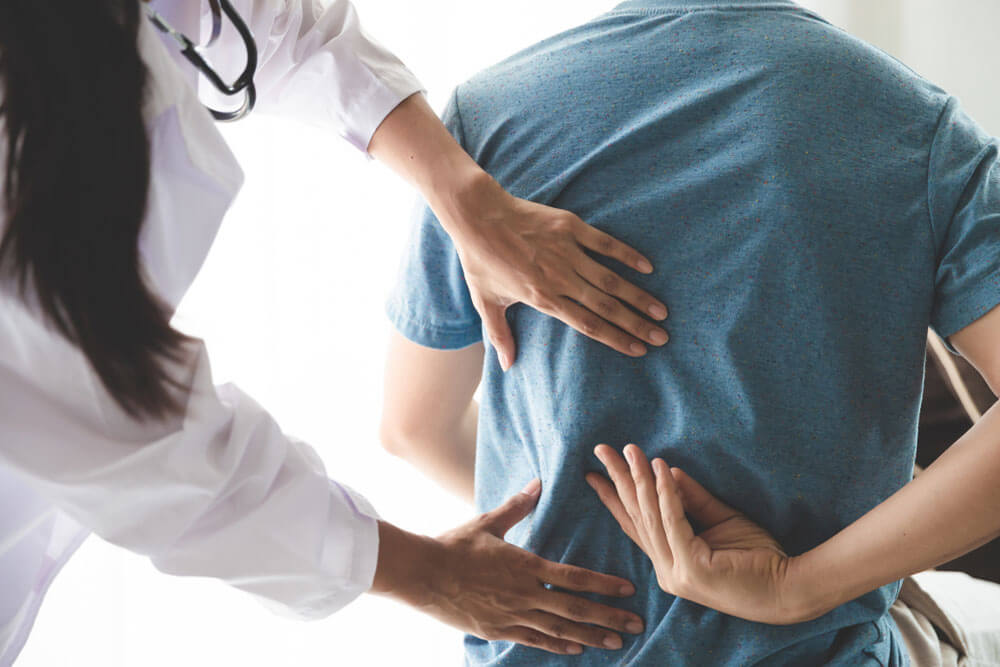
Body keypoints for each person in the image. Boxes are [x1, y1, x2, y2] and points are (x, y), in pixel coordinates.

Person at [0, 0, 671, 663]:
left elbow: (275, 28)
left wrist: (468, 197)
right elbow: (133, 429)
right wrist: (432, 575)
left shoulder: (498, 117)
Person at [381, 0, 1000, 663]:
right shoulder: (914, 125)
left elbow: (413, 427)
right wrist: (796, 586)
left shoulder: (483, 120)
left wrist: (570, 505)